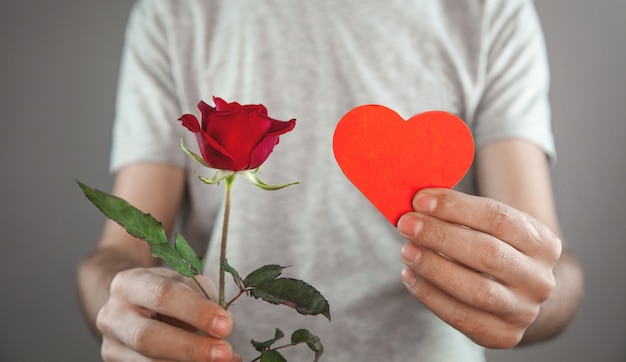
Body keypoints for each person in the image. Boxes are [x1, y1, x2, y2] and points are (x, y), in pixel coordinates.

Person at [77, 0, 584, 361]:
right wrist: (127, 307)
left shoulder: (490, 10)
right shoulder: (173, 12)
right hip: (225, 349)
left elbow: (551, 269)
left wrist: (529, 292)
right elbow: (118, 256)